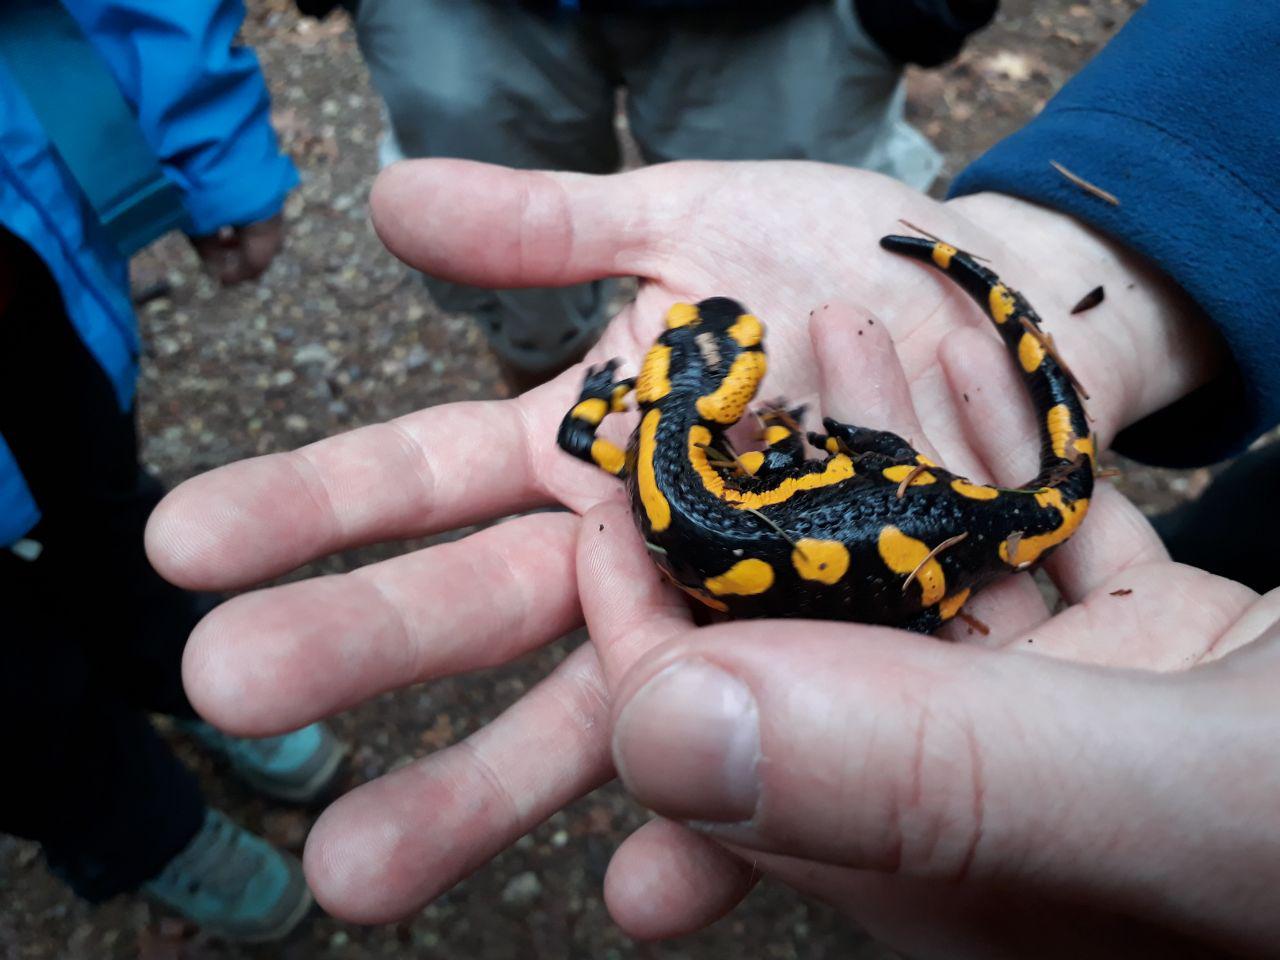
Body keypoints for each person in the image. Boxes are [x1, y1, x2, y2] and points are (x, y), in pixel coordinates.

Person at [146, 0, 1279, 955]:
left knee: (911, 527)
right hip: (908, 525)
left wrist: (636, 406)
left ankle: (937, 558)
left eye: (725, 356)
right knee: (903, 519)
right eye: (726, 359)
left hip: (907, 531)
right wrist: (804, 452)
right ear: (716, 395)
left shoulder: (639, 435)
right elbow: (713, 446)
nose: (732, 355)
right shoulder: (685, 439)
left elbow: (595, 431)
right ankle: (935, 558)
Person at [0, 1, 342, 943]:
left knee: (110, 510)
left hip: (24, 265)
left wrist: (209, 150)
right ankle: (140, 832)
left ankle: (189, 677)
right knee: (14, 685)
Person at [338, 0, 996, 390]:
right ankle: (541, 383)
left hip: (777, 19)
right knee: (508, 260)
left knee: (815, 278)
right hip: (468, 19)